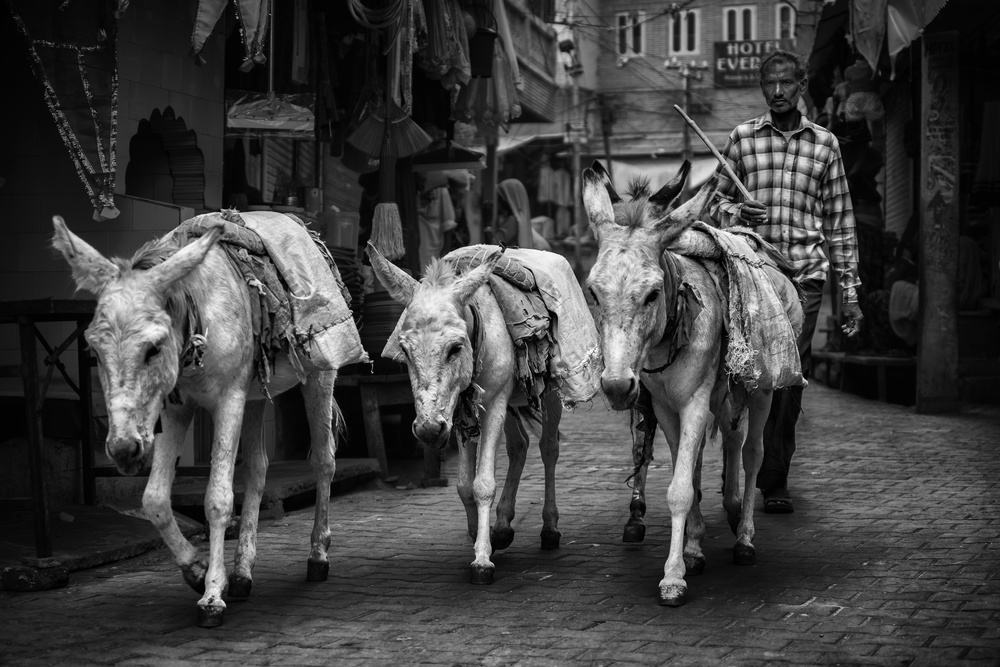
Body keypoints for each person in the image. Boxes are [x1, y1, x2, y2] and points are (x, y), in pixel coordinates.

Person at [709, 49, 864, 515]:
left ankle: (774, 476)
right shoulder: (741, 139)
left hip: (804, 276)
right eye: (769, 85)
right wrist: (737, 211)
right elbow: (713, 206)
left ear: (802, 86)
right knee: (747, 372)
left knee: (788, 377)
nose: (777, 92)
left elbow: (840, 223)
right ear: (762, 88)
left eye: (786, 84)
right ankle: (741, 465)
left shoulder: (825, 145)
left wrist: (850, 293)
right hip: (752, 270)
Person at [494, 178, 551, 251]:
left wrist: (487, 226)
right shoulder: (521, 221)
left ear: (506, 200)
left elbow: (492, 247)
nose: (497, 202)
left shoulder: (512, 221)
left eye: (499, 198)